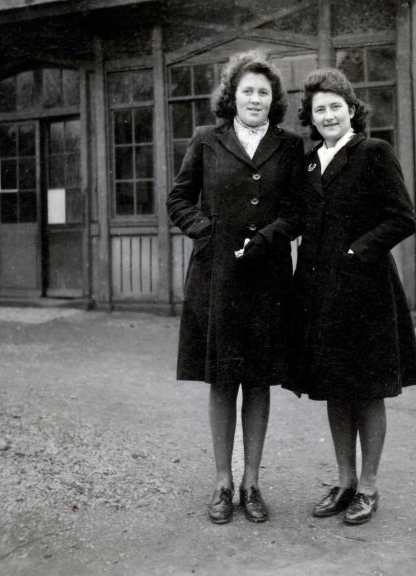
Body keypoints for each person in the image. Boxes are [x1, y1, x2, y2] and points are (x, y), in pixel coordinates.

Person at [285, 68, 416, 525]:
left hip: (365, 290)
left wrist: (355, 251)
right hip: (319, 293)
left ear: (351, 110)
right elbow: (299, 222)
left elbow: (403, 217)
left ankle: (368, 487)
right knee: (333, 390)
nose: (327, 115)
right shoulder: (308, 163)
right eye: (319, 108)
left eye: (335, 107)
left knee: (367, 390)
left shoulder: (373, 153)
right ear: (309, 115)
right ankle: (344, 482)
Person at [166, 51, 304, 524]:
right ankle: (223, 482)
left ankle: (252, 484)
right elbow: (178, 198)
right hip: (216, 278)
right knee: (223, 380)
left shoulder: (289, 146)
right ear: (233, 96)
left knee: (259, 380)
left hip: (268, 281)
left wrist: (269, 237)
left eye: (263, 92)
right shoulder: (207, 140)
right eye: (247, 90)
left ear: (273, 100)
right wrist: (208, 232)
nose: (255, 99)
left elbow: (298, 210)